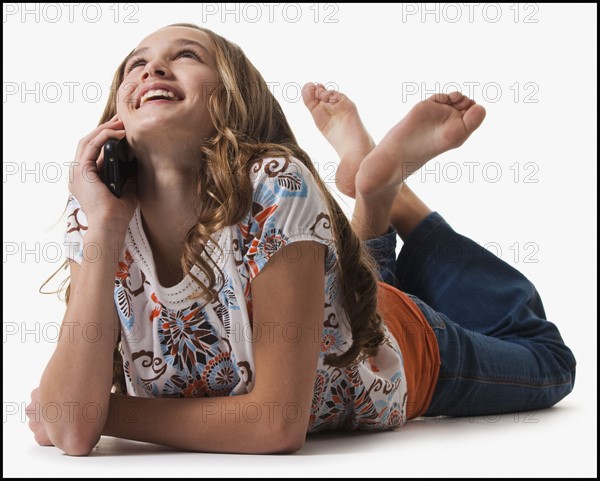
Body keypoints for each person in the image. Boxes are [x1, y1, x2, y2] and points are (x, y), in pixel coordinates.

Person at [26, 23, 576, 456]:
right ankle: (375, 194)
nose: (154, 68)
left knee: (550, 360)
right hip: (333, 303)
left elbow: (274, 424)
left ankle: (397, 202)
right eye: (136, 64)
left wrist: (99, 411)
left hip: (395, 347)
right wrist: (103, 228)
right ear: (117, 112)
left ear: (232, 98)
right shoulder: (99, 206)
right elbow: (74, 432)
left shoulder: (274, 182)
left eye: (187, 55)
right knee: (362, 277)